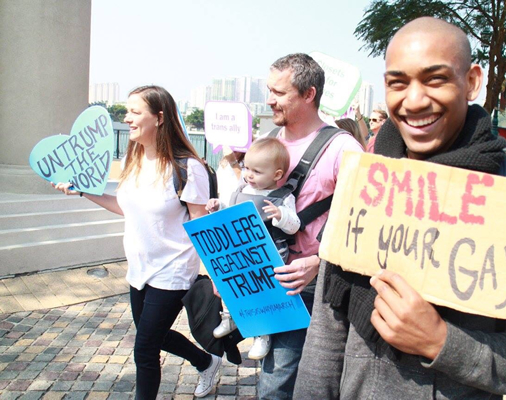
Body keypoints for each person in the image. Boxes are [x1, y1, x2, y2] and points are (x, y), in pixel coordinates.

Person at [294, 17, 506, 399]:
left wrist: (442, 342)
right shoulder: (362, 191)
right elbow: (325, 341)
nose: (414, 100)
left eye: (435, 79)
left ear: (472, 81)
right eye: (398, 83)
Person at [52, 85, 221, 399]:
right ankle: (205, 362)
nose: (127, 118)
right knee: (154, 336)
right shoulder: (134, 158)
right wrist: (83, 191)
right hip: (139, 269)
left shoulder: (187, 167)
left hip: (172, 271)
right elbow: (125, 207)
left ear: (159, 118)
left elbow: (201, 224)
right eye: (127, 111)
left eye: (135, 112)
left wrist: (217, 276)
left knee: (144, 349)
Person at [258, 53, 364, 399]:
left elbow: (365, 225)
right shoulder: (269, 139)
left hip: (311, 285)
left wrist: (319, 264)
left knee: (277, 384)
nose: (269, 99)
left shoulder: (343, 149)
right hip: (268, 280)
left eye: (279, 92)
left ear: (309, 94)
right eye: (269, 90)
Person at [206, 137, 301, 361]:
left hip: (268, 255)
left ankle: (262, 333)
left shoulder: (283, 197)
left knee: (262, 295)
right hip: (241, 251)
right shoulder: (241, 189)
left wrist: (281, 216)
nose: (249, 175)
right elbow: (230, 212)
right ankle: (230, 315)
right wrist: (217, 207)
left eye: (257, 171)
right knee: (232, 284)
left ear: (277, 175)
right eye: (246, 168)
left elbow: (294, 226)